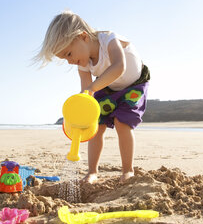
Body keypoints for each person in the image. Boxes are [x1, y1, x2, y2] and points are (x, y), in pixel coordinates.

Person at [34, 10, 150, 183]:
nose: (69, 61)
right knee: (97, 125)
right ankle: (92, 172)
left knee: (122, 122)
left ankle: (128, 170)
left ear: (83, 37)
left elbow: (119, 67)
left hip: (133, 85)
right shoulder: (84, 64)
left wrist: (93, 87)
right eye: (65, 59)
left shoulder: (109, 40)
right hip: (107, 86)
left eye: (69, 54)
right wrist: (81, 119)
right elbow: (86, 95)